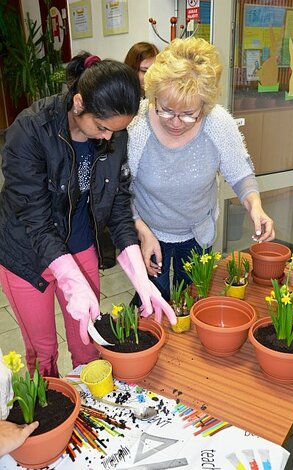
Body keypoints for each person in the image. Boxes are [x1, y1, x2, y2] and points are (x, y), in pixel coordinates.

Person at [0, 52, 176, 378]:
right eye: (102, 127)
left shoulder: (114, 131)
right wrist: (69, 278)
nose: (108, 137)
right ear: (79, 103)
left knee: (88, 342)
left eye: (115, 131)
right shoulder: (30, 131)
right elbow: (35, 221)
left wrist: (141, 278)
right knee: (43, 352)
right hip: (26, 255)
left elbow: (119, 206)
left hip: (80, 244)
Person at [127, 37, 275, 302]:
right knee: (153, 302)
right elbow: (120, 189)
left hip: (197, 232)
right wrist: (139, 228)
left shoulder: (217, 123)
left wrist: (256, 207)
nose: (175, 122)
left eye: (188, 114)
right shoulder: (136, 126)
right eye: (166, 110)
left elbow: (240, 173)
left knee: (193, 299)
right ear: (154, 97)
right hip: (149, 232)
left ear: (204, 106)